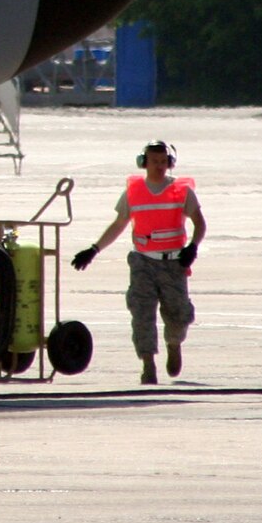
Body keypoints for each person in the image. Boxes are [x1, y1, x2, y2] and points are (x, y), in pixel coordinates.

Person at [71, 140, 207, 384]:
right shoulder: (134, 192)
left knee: (178, 314)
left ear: (170, 163)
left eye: (163, 162)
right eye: (154, 162)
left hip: (173, 263)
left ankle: (174, 343)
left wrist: (193, 247)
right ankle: (148, 363)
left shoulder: (182, 191)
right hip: (143, 262)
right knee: (142, 314)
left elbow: (200, 223)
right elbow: (119, 224)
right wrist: (94, 249)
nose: (159, 166)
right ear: (144, 163)